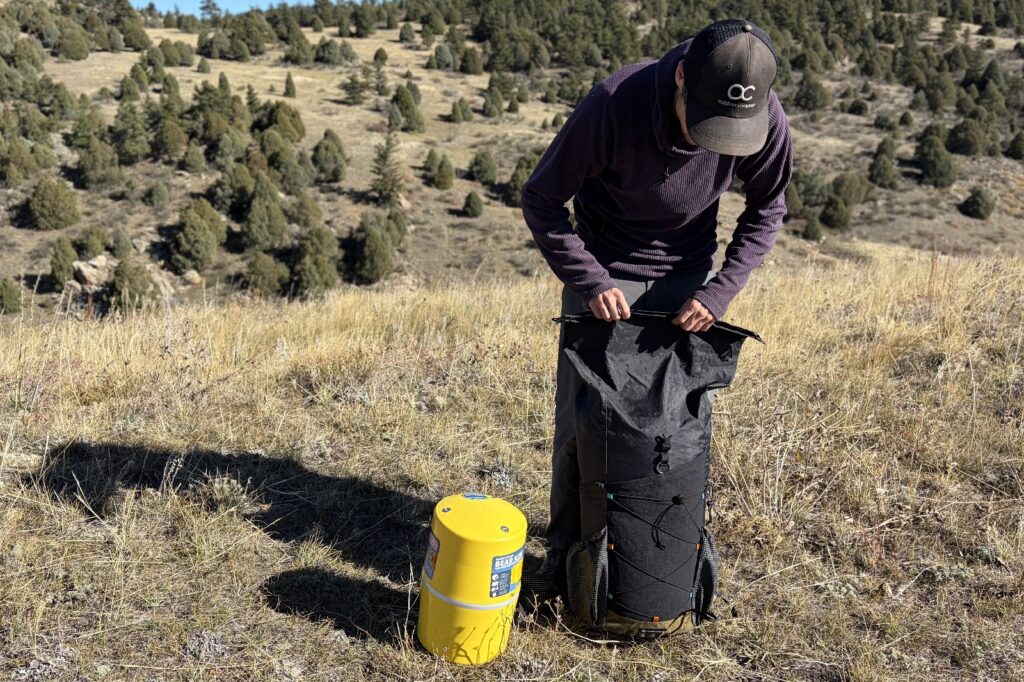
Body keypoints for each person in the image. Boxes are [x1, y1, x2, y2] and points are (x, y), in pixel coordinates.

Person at [520, 19, 794, 597]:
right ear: (678, 79)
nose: (707, 143)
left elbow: (768, 209)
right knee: (584, 422)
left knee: (678, 422)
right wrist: (590, 279)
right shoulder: (614, 104)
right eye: (703, 125)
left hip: (689, 282)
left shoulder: (765, 117)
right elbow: (541, 199)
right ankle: (568, 553)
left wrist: (718, 292)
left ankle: (662, 550)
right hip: (605, 277)